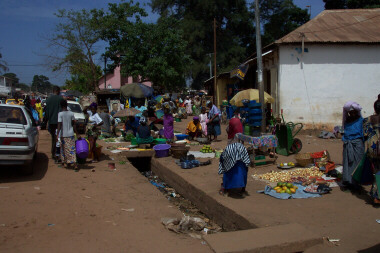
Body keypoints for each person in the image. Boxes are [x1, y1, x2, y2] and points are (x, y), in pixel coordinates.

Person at [342, 101, 365, 190]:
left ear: (357, 112)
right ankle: (348, 181)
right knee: (347, 163)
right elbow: (344, 131)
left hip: (357, 145)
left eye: (354, 112)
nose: (352, 114)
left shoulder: (361, 121)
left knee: (357, 163)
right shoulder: (347, 121)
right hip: (348, 144)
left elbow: (364, 133)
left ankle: (356, 183)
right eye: (350, 112)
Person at [364, 95, 380, 204]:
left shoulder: (369, 119)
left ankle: (376, 195)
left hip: (373, 148)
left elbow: (365, 133)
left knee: (377, 171)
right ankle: (377, 196)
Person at [57, 99, 78, 170]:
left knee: (64, 150)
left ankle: (65, 163)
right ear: (67, 105)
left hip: (63, 134)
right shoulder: (71, 113)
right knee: (72, 149)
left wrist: (57, 134)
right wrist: (76, 133)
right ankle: (74, 163)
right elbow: (74, 124)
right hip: (71, 134)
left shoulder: (60, 114)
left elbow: (59, 125)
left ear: (60, 106)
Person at [45, 86, 64, 160]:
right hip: (59, 122)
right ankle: (58, 153)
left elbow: (46, 112)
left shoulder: (48, 100)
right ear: (58, 91)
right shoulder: (61, 99)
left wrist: (46, 122)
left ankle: (53, 153)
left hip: (51, 122)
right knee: (59, 138)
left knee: (53, 138)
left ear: (53, 91)